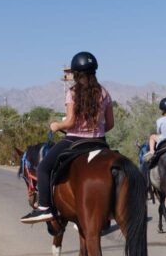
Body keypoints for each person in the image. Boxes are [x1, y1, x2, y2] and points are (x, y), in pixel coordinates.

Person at [20, 51, 114, 224]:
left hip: (74, 140)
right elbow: (110, 124)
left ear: (76, 74)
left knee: (43, 168)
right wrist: (96, 130)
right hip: (99, 142)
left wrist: (56, 125)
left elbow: (70, 122)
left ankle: (44, 208)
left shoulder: (73, 92)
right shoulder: (104, 93)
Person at [142, 97, 166, 162]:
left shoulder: (159, 120)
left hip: (163, 139)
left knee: (152, 137)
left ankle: (152, 151)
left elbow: (159, 132)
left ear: (162, 110)